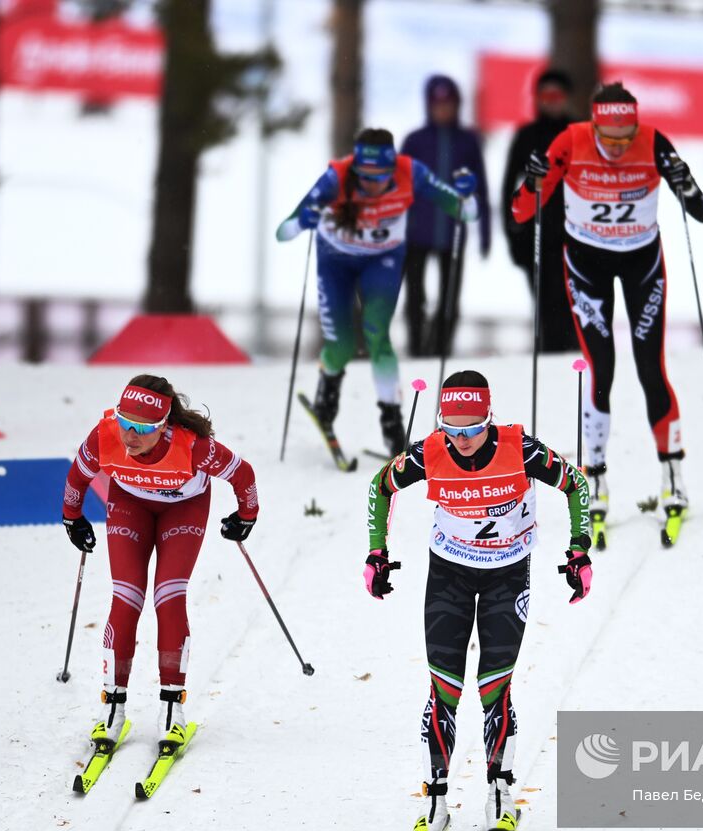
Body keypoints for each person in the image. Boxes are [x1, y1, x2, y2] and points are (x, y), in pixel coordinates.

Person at [364, 370, 592, 831]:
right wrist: (376, 551)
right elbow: (379, 487)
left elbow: (576, 485)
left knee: (494, 686)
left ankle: (500, 794)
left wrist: (579, 549)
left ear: (489, 418)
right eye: (452, 430)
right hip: (449, 574)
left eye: (472, 429)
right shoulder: (429, 452)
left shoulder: (520, 449)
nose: (462, 440)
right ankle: (437, 800)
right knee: (443, 687)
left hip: (508, 576)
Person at [511, 81, 703, 530]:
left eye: (626, 138)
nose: (619, 148)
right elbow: (522, 212)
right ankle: (595, 480)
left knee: (651, 369)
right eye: (609, 139)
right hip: (586, 266)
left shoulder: (655, 141)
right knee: (601, 369)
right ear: (594, 126)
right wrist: (533, 180)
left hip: (643, 264)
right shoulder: (571, 140)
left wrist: (687, 184)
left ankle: (673, 477)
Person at [61, 375, 260, 752]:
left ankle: (172, 709)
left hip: (183, 508)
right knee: (126, 596)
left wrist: (246, 515)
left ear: (164, 425)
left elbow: (242, 474)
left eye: (142, 428)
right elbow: (77, 478)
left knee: (168, 596)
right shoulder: (104, 436)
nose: (130, 435)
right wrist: (72, 516)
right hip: (130, 505)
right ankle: (112, 709)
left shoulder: (194, 447)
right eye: (124, 422)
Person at [276, 128, 476, 455]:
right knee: (341, 345)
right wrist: (303, 220)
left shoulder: (411, 172)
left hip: (382, 258)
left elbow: (467, 213)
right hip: (336, 260)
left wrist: (466, 196)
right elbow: (283, 231)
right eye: (364, 177)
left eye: (379, 177)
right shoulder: (335, 178)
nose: (371, 185)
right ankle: (326, 400)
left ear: (391, 167)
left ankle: (392, 423)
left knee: (376, 333)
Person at [401, 75, 492, 358]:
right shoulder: (415, 141)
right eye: (437, 104)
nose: (443, 110)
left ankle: (440, 350)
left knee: (450, 298)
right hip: (416, 233)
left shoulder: (467, 141)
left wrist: (485, 232)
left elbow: (481, 188)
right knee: (415, 296)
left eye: (449, 104)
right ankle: (417, 348)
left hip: (452, 232)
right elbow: (398, 186)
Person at [501, 68, 579, 354]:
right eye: (546, 96)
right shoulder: (526, 136)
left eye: (557, 96)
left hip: (575, 239)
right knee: (546, 310)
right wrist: (513, 235)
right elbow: (508, 189)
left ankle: (575, 367)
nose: (552, 102)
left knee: (575, 309)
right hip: (536, 239)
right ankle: (549, 363)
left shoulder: (578, 133)